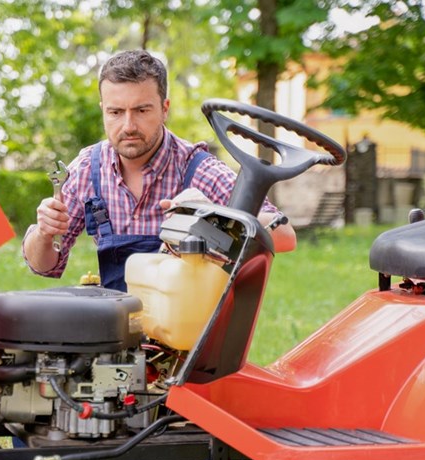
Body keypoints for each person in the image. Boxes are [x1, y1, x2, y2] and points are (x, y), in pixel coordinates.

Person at [22, 49, 296, 291]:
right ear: (103, 110)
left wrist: (212, 220)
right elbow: (44, 266)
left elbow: (284, 237)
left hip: (187, 334)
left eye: (141, 110)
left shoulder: (198, 169)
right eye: (115, 112)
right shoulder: (87, 169)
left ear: (164, 109)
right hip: (116, 333)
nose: (128, 125)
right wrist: (44, 234)